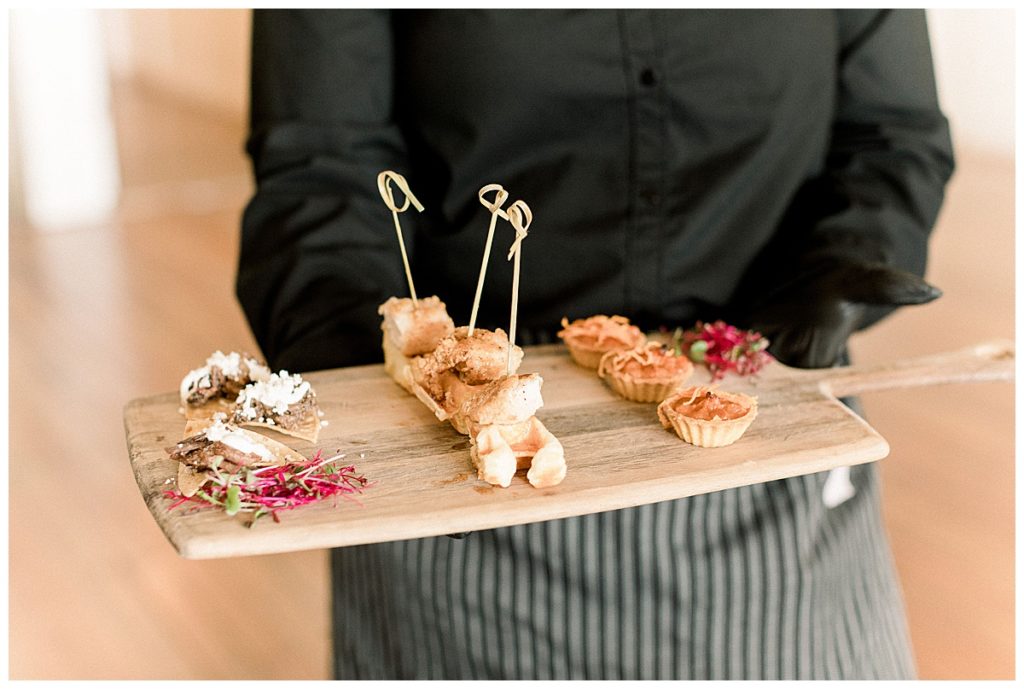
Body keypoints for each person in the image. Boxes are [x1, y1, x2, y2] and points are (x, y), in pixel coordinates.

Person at [237, 9, 953, 680]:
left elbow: (891, 134)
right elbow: (318, 168)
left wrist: (848, 258)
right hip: (468, 481)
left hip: (765, 438)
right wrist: (387, 402)